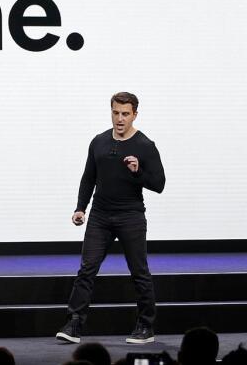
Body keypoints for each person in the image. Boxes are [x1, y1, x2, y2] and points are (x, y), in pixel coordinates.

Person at [57, 92, 166, 345]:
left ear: (134, 115)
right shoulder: (99, 142)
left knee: (139, 271)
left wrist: (139, 172)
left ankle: (145, 326)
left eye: (125, 114)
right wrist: (80, 208)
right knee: (87, 269)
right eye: (116, 113)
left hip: (131, 215)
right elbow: (89, 177)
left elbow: (159, 184)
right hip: (100, 216)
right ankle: (74, 323)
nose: (120, 118)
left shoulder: (145, 146)